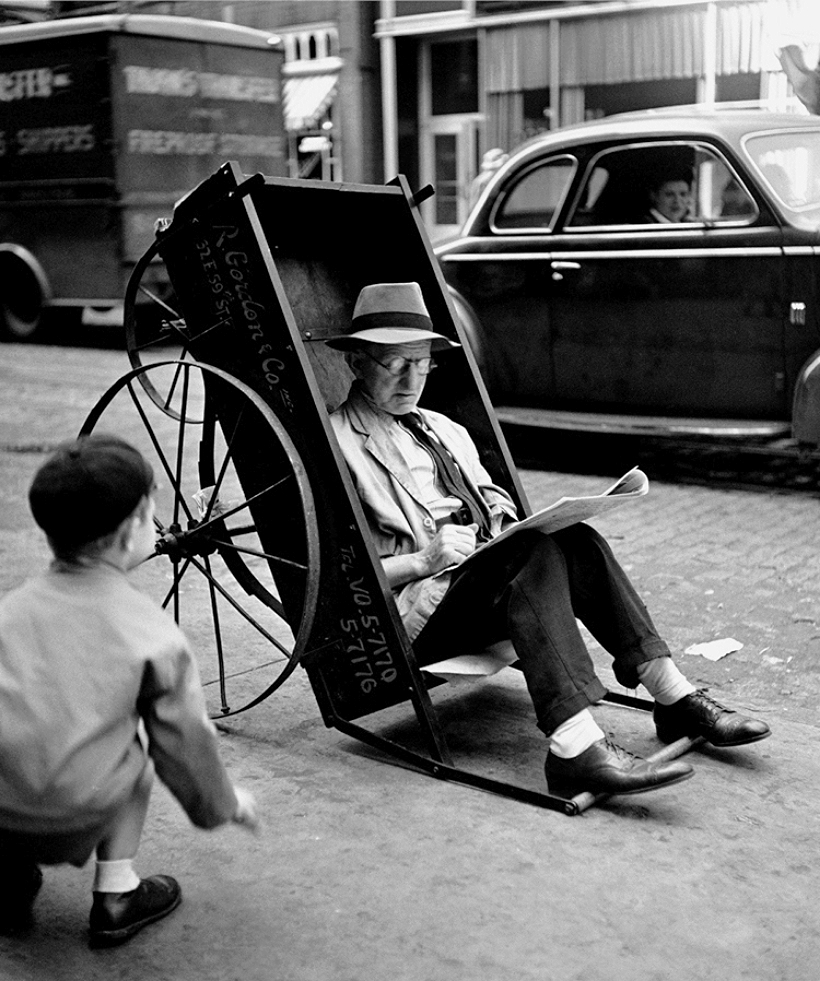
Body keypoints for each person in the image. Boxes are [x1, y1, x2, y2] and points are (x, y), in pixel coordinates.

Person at [327, 282, 771, 799]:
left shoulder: (446, 429)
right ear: (356, 362)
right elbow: (339, 578)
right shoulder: (337, 443)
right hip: (418, 610)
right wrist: (424, 560)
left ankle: (672, 696)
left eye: (421, 363)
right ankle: (573, 747)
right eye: (393, 364)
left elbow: (495, 504)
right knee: (531, 552)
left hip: (480, 586)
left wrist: (504, 522)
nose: (411, 379)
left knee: (576, 539)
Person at [0, 435, 259, 946]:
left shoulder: (9, 611)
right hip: (77, 814)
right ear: (133, 528)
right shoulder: (151, 632)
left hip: (2, 811)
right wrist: (224, 804)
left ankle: (6, 880)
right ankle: (117, 893)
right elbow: (184, 743)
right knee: (134, 755)